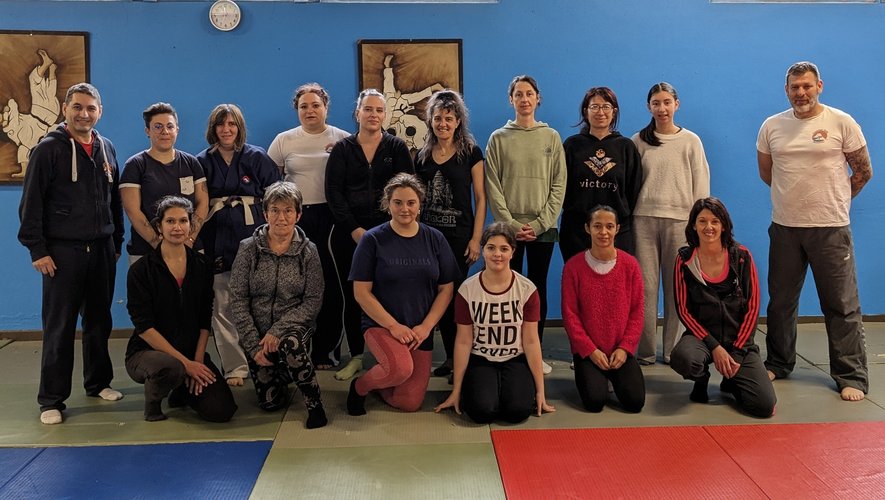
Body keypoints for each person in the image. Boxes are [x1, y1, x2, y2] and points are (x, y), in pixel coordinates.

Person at [758, 61, 873, 402]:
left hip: (831, 229)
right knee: (781, 302)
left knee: (841, 304)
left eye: (807, 86)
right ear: (786, 90)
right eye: (795, 87)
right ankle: (779, 362)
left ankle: (851, 375)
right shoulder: (771, 126)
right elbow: (768, 173)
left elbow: (863, 171)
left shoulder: (841, 122)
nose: (801, 92)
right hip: (785, 227)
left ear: (819, 86)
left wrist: (836, 200)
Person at [18, 82, 125, 425]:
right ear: (65, 109)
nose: (84, 114)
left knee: (99, 321)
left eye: (91, 108)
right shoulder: (48, 149)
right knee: (59, 326)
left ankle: (98, 382)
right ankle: (51, 399)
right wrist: (37, 249)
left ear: (100, 112)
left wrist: (116, 241)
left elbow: (114, 200)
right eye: (77, 107)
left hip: (102, 249)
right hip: (63, 252)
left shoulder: (106, 148)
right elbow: (31, 203)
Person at [345, 173, 459, 416]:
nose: (404, 209)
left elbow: (446, 289)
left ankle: (385, 377)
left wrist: (426, 326)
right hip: (382, 326)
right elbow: (361, 293)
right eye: (398, 203)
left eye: (411, 203)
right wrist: (393, 326)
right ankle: (360, 387)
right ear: (388, 204)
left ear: (420, 205)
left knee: (409, 403)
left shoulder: (435, 238)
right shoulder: (372, 240)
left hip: (419, 331)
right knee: (400, 369)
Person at [325, 89, 414, 381]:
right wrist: (354, 229)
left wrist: (387, 229)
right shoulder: (342, 149)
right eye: (368, 109)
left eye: (378, 110)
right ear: (357, 113)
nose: (373, 115)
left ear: (385, 115)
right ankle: (356, 356)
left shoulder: (397, 148)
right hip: (348, 234)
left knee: (389, 294)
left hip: (389, 233)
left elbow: (406, 190)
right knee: (354, 296)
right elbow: (334, 193)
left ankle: (392, 356)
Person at [125, 196, 237, 422]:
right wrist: (186, 365)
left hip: (190, 353)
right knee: (171, 368)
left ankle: (181, 391)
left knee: (221, 411)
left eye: (183, 221)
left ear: (191, 225)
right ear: (159, 226)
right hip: (148, 353)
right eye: (170, 221)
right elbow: (144, 327)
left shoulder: (202, 265)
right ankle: (153, 404)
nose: (177, 227)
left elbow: (205, 318)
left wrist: (197, 362)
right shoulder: (141, 270)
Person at [229, 181, 327, 429]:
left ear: (298, 215)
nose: (281, 218)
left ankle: (314, 404)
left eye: (288, 211)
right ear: (265, 214)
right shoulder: (248, 248)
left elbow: (313, 300)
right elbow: (238, 298)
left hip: (294, 329)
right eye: (275, 210)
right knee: (270, 403)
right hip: (258, 334)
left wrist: (278, 330)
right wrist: (253, 345)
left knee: (290, 344)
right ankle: (286, 372)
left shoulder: (309, 251)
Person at [485, 75, 566, 374]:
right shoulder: (498, 138)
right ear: (511, 100)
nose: (524, 99)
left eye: (529, 94)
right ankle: (510, 349)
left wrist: (541, 222)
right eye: (518, 94)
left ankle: (535, 350)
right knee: (509, 290)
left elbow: (559, 184)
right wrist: (510, 224)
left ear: (537, 98)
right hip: (508, 232)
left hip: (543, 229)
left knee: (536, 289)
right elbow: (493, 185)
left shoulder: (551, 137)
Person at [434, 222, 555, 423]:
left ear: (513, 252)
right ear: (483, 251)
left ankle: (512, 390)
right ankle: (477, 389)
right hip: (481, 358)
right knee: (481, 412)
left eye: (504, 249)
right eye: (491, 248)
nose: (497, 254)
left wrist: (540, 392)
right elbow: (463, 341)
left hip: (515, 358)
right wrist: (456, 391)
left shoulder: (527, 289)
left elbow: (531, 341)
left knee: (517, 411)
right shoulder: (467, 290)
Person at [197, 103, 280, 387]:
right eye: (221, 124)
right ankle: (235, 366)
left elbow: (276, 195)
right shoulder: (202, 161)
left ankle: (264, 359)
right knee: (222, 304)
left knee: (261, 301)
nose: (226, 129)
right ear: (213, 128)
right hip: (217, 236)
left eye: (232, 124)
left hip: (253, 234)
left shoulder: (257, 157)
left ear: (239, 127)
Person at [268, 83, 349, 370]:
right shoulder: (283, 141)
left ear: (326, 107)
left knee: (330, 286)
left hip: (331, 219)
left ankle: (326, 351)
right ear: (297, 110)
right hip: (295, 219)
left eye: (315, 105)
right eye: (304, 106)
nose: (310, 110)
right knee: (294, 286)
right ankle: (291, 348)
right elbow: (272, 185)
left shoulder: (343, 139)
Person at [670, 198, 776, 418]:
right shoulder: (684, 260)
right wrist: (714, 347)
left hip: (739, 341)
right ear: (693, 225)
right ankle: (701, 379)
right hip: (702, 339)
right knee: (683, 358)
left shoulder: (742, 257)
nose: (708, 227)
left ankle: (732, 380)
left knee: (764, 407)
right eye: (702, 221)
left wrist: (736, 353)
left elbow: (753, 308)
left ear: (724, 225)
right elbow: (684, 311)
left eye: (715, 221)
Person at [631, 82, 710, 365]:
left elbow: (701, 186)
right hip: (643, 221)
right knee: (646, 288)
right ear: (648, 107)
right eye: (656, 103)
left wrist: (699, 225)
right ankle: (645, 351)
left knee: (677, 288)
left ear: (677, 104)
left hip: (680, 222)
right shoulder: (638, 141)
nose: (662, 108)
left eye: (667, 102)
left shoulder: (691, 141)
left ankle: (673, 350)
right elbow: (630, 184)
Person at [414, 89, 486, 378]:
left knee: (454, 298)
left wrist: (476, 239)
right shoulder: (422, 156)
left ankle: (462, 359)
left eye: (448, 118)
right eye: (437, 118)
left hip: (459, 238)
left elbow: (480, 198)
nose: (442, 123)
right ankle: (447, 359)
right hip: (428, 239)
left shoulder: (471, 153)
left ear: (458, 121)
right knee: (434, 299)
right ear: (430, 121)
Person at [561, 206, 645, 413]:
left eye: (609, 226)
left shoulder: (631, 265)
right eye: (597, 226)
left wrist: (625, 348)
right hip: (590, 352)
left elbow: (637, 312)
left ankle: (614, 377)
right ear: (587, 228)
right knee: (594, 402)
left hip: (619, 350)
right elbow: (570, 316)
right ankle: (594, 377)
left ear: (617, 229)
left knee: (635, 403)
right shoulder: (573, 267)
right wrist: (590, 350)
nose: (603, 232)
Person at [120, 102, 208, 264]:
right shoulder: (135, 165)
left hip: (190, 248)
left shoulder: (191, 163)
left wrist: (190, 239)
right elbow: (133, 211)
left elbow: (203, 203)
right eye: (158, 127)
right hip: (147, 251)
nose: (165, 132)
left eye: (170, 126)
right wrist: (159, 245)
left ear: (177, 130)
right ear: (147, 131)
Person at [561, 87, 642, 260]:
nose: (600, 112)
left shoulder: (626, 147)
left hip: (617, 231)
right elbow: (561, 187)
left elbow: (633, 190)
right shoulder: (572, 146)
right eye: (594, 107)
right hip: (576, 231)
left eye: (606, 106)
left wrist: (617, 220)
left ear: (614, 112)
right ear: (586, 111)